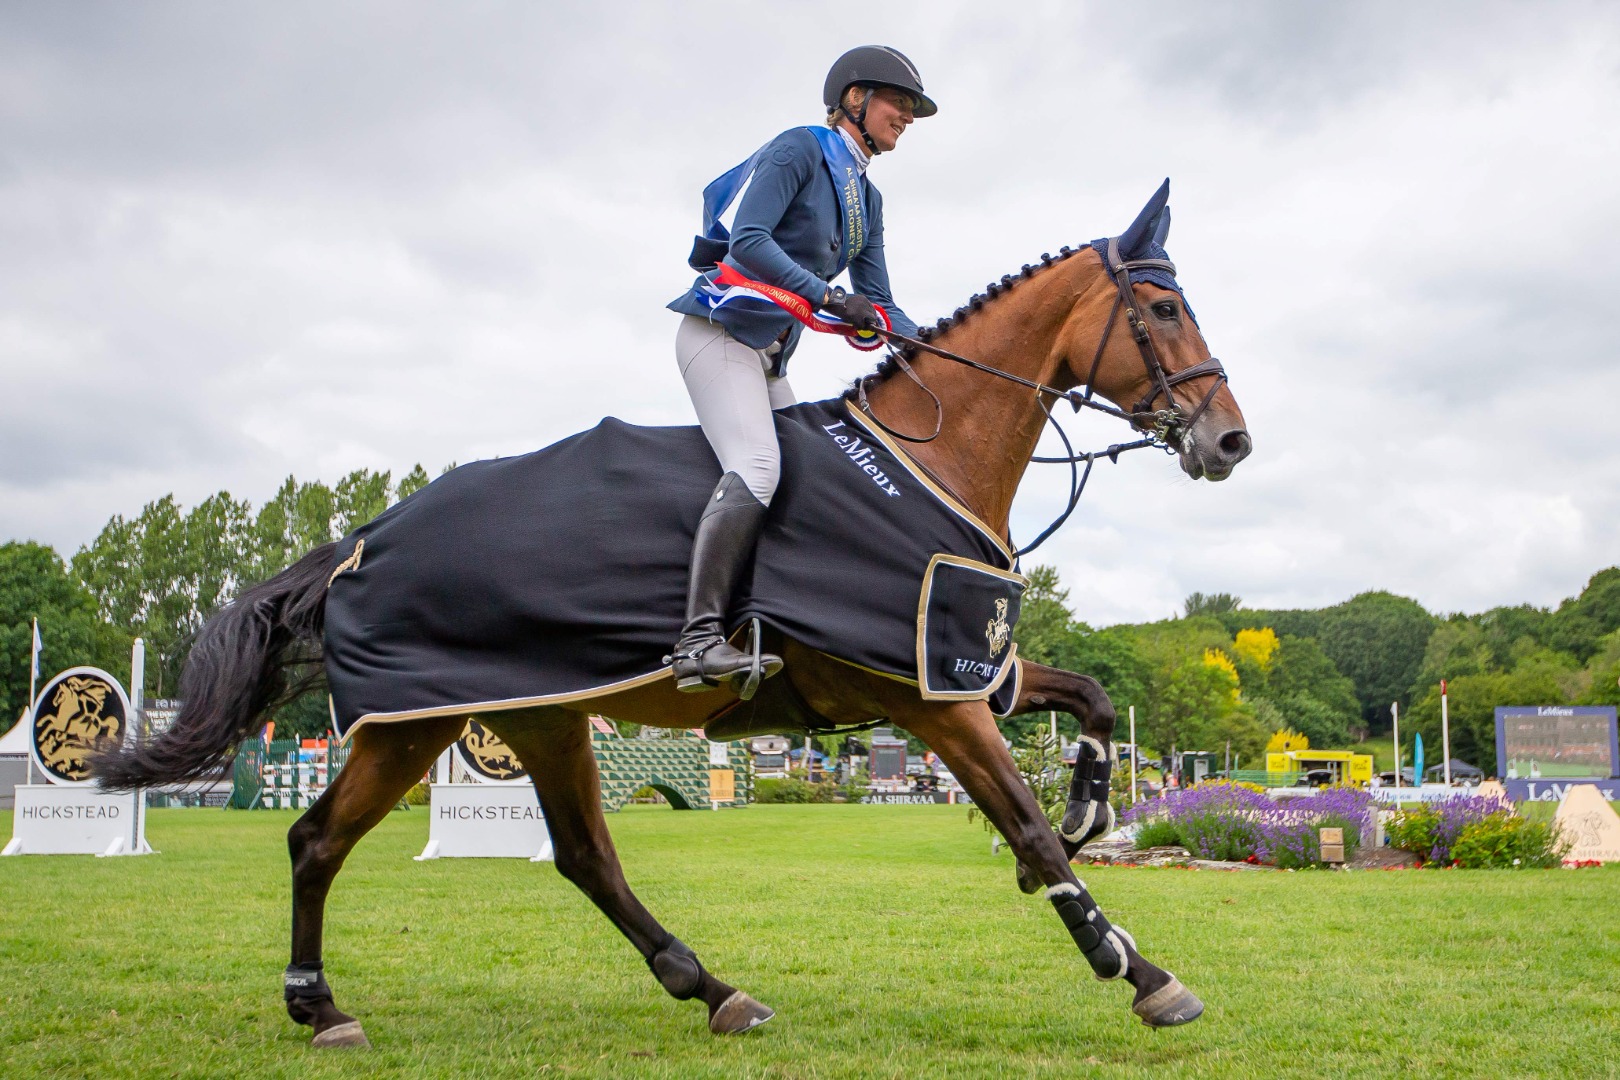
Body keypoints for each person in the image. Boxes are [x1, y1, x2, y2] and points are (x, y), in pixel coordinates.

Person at [664, 46, 933, 694]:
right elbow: (749, 241)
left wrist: (948, 349)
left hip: (771, 359)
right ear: (854, 100)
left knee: (810, 476)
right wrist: (830, 296)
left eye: (912, 110)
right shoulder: (800, 150)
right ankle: (696, 642)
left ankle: (777, 623)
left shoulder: (866, 198)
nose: (908, 117)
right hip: (721, 334)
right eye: (899, 103)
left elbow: (881, 302)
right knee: (759, 466)